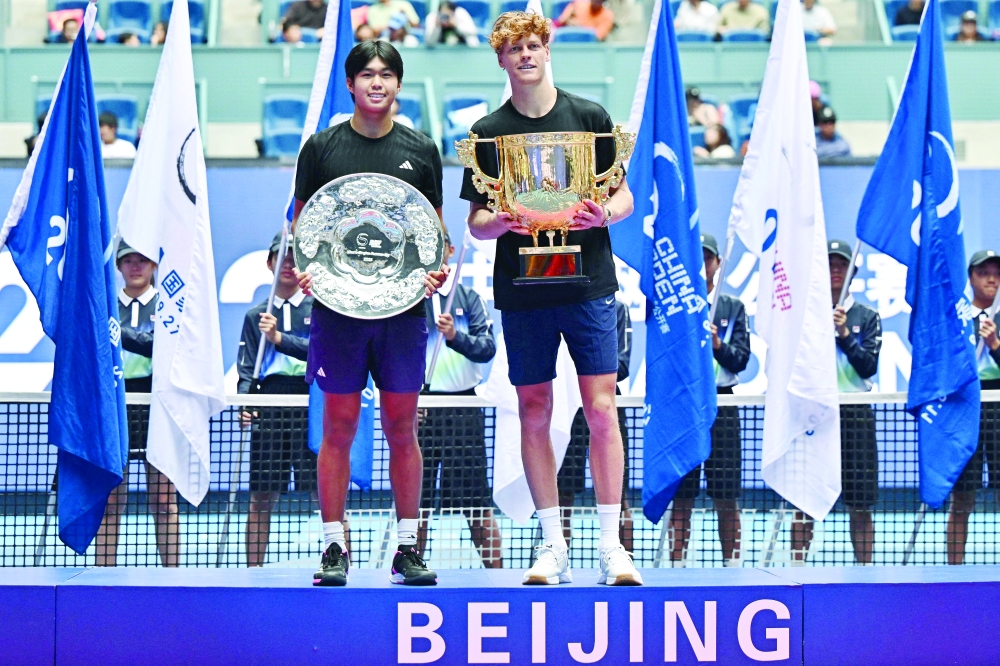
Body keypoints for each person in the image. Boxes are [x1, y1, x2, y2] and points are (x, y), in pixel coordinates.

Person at [462, 12, 641, 586]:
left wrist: (601, 213)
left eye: (534, 45)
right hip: (523, 289)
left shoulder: (589, 118)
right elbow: (477, 223)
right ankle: (553, 546)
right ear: (501, 59)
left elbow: (624, 199)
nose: (525, 56)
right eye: (514, 49)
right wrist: (505, 221)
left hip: (589, 284)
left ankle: (612, 547)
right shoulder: (489, 132)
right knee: (534, 412)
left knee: (601, 409)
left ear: (547, 49)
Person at [293, 40, 448, 587]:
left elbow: (433, 230)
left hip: (402, 314)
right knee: (338, 426)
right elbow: (302, 226)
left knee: (402, 426)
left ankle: (408, 548)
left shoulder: (422, 149)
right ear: (351, 84)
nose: (376, 83)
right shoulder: (322, 148)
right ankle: (335, 546)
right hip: (337, 313)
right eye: (366, 74)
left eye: (386, 74)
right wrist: (304, 267)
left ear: (399, 84)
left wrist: (436, 268)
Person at [791, 240, 882, 565]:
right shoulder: (804, 315)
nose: (835, 271)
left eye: (841, 265)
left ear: (853, 272)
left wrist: (843, 334)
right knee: (803, 502)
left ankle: (865, 571)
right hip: (813, 415)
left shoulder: (867, 316)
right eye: (829, 264)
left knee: (860, 503)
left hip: (855, 415)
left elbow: (868, 366)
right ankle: (796, 568)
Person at [415, 234, 501, 567]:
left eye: (441, 248)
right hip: (419, 411)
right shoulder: (409, 301)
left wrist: (454, 336)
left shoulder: (468, 298)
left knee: (476, 504)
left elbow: (487, 348)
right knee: (414, 506)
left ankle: (498, 577)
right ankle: (408, 567)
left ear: (451, 251)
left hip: (463, 410)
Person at [94, 242, 181, 567]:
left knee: (162, 499)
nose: (135, 267)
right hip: (114, 404)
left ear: (154, 266)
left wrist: (119, 333)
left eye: (142, 260)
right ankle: (104, 573)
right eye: (127, 260)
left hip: (156, 405)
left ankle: (171, 577)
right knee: (111, 498)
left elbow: (164, 348)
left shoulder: (168, 305)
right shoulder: (104, 305)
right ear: (117, 266)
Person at [237, 231, 317, 567]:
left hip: (313, 404)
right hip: (270, 407)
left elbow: (323, 354)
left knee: (328, 496)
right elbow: (246, 366)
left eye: (293, 257)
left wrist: (280, 338)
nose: (287, 263)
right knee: (261, 497)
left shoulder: (321, 309)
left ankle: (345, 569)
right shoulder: (256, 315)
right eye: (280, 257)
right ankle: (253, 573)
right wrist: (245, 400)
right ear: (269, 263)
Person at [670, 234, 750, 567]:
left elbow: (742, 359)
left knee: (725, 495)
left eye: (708, 258)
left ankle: (732, 564)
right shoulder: (675, 305)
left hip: (723, 405)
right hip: (685, 406)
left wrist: (718, 346)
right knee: (682, 496)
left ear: (718, 263)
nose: (702, 264)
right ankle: (676, 564)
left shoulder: (733, 308)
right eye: (696, 256)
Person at [557, 297, 634, 553]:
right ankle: (559, 557)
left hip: (605, 407)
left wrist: (588, 364)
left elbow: (621, 365)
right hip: (569, 406)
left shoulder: (617, 309)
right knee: (562, 496)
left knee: (619, 496)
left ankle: (623, 559)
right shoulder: (557, 308)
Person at [946, 250, 1000, 565]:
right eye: (984, 273)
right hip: (966, 412)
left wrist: (995, 345)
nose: (991, 278)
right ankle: (954, 569)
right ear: (971, 278)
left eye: (996, 273)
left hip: (998, 412)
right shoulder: (957, 319)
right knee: (962, 497)